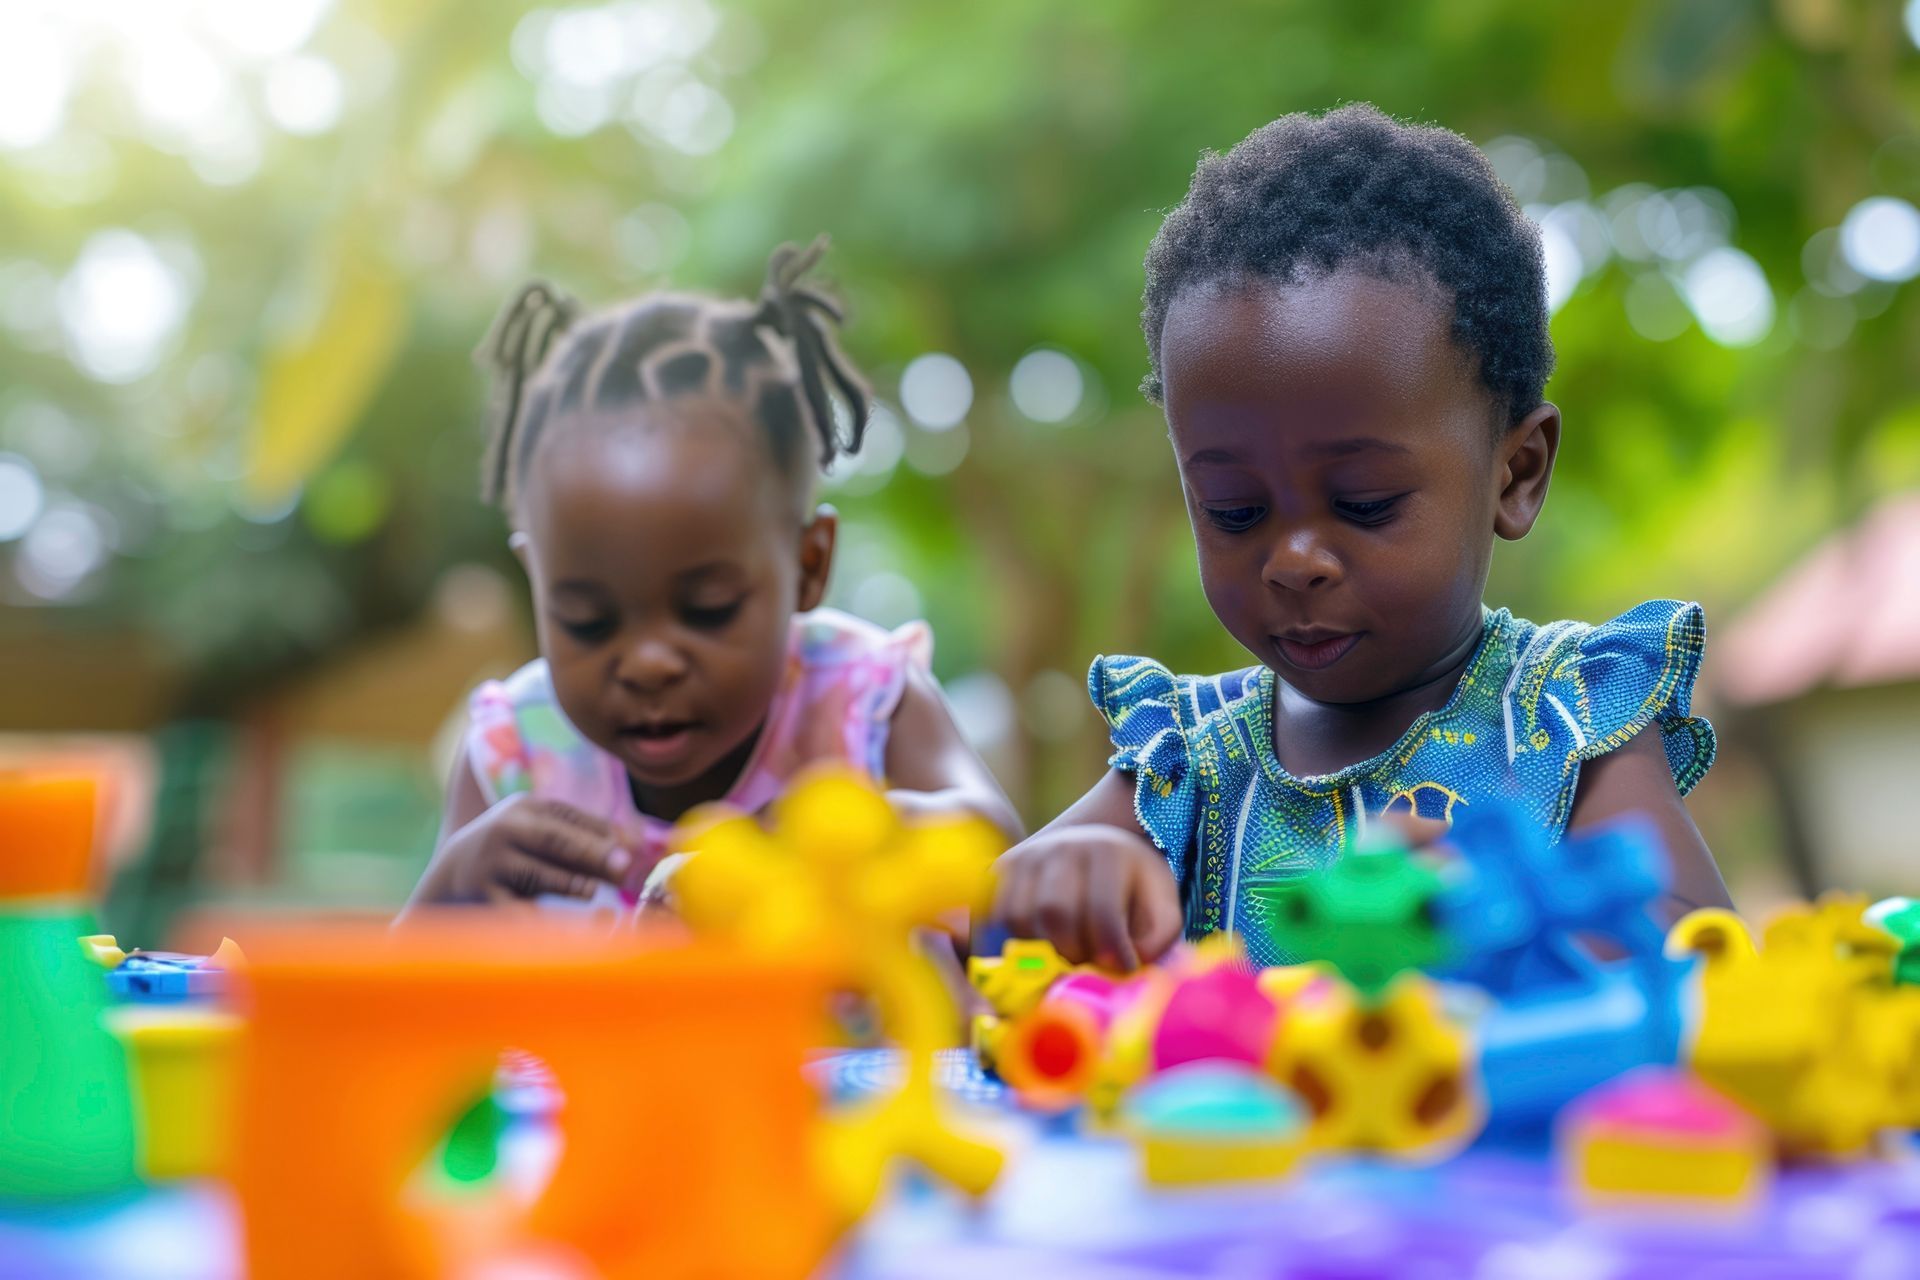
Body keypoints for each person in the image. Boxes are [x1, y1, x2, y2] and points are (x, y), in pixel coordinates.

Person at [992, 106, 1732, 971]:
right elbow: (981, 918)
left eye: (1366, 501)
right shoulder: (1186, 767)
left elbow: (1691, 949)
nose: (1294, 561)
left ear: (1517, 472)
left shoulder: (1569, 718)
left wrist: (1507, 913)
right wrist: (1068, 880)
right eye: (1233, 509)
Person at [408, 238, 1018, 918]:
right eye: (588, 620)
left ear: (808, 565)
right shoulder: (516, 752)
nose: (648, 662)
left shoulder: (859, 702)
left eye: (708, 609)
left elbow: (994, 845)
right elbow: (393, 1008)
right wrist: (448, 890)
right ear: (537, 581)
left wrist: (805, 834)